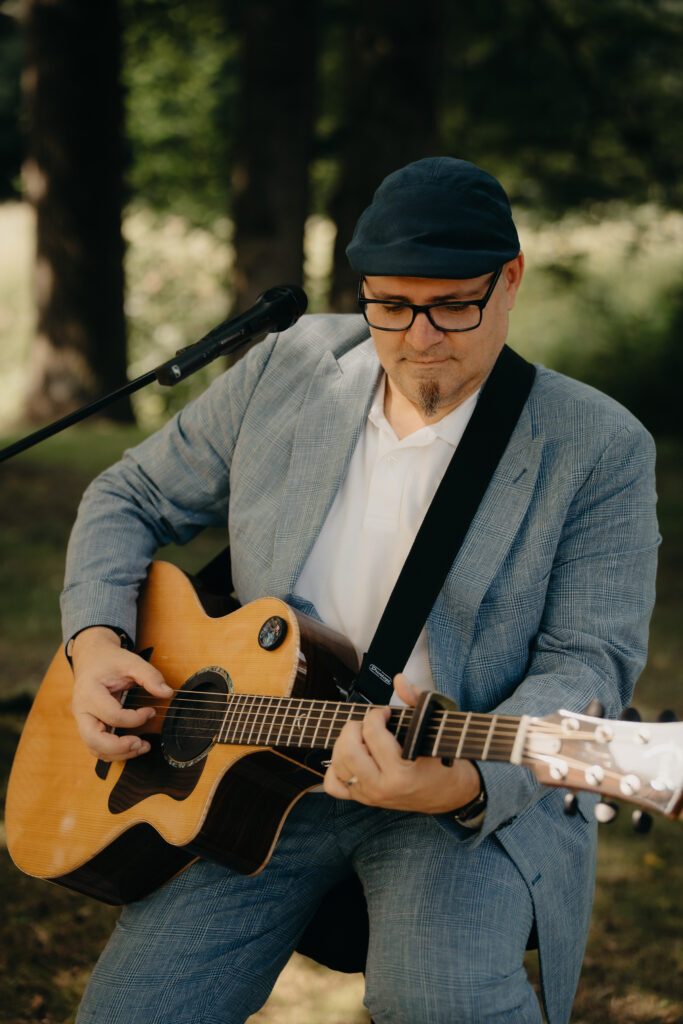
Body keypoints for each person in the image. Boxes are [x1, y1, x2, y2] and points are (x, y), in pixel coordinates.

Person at [63, 157, 659, 1024]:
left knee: (438, 1003)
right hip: (243, 765)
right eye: (390, 304)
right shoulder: (290, 368)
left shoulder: (597, 445)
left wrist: (460, 784)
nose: (420, 336)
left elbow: (587, 662)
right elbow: (130, 496)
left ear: (510, 280)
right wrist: (96, 643)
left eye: (454, 303)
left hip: (449, 780)